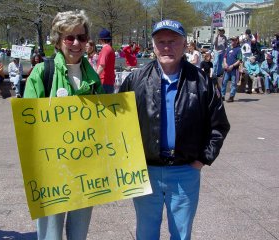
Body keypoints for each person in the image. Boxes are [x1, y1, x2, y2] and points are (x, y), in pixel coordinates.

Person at [119, 19, 230, 240]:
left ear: (184, 44)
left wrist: (201, 160)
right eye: (161, 42)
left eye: (173, 41)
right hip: (146, 171)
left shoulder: (201, 81)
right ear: (153, 46)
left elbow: (218, 125)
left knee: (181, 234)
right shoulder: (136, 79)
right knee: (145, 232)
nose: (167, 47)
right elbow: (118, 123)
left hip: (184, 171)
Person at [24, 10, 104, 240]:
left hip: (86, 169)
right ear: (58, 41)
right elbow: (28, 124)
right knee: (50, 235)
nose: (76, 43)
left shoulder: (93, 78)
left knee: (79, 234)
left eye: (81, 37)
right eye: (69, 37)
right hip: (52, 170)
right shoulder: (42, 73)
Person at [221, 36, 242, 102]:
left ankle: (231, 96)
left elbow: (239, 60)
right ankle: (222, 96)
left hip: (234, 69)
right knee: (224, 82)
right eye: (232, 40)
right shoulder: (228, 48)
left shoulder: (238, 49)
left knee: (233, 83)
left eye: (234, 40)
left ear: (236, 41)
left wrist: (232, 66)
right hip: (227, 69)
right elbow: (224, 57)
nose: (232, 41)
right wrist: (225, 63)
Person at [96, 28, 115, 93]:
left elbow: (102, 65)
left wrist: (95, 76)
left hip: (104, 81)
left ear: (101, 40)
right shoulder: (110, 49)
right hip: (109, 81)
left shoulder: (105, 49)